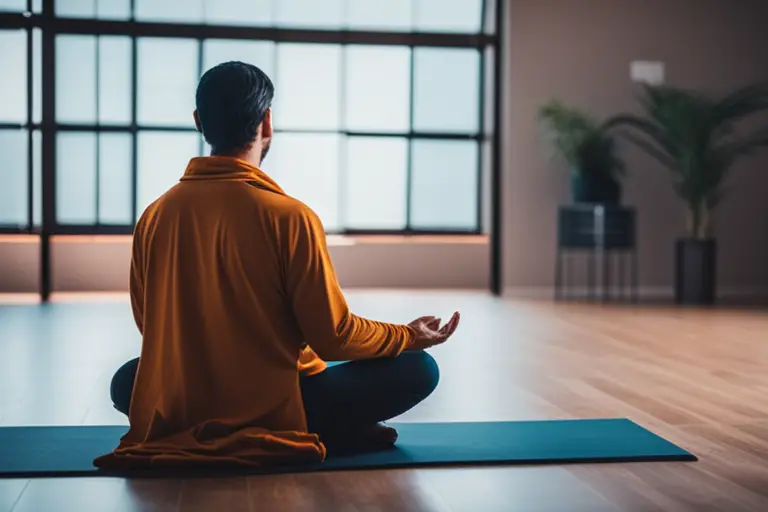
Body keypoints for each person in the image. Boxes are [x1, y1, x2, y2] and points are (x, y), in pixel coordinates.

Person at [94, 61, 461, 471]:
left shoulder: (155, 216)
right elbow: (333, 336)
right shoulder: (290, 216)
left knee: (130, 381)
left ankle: (307, 426)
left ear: (199, 121)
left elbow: (151, 327)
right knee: (418, 368)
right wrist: (407, 335)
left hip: (189, 403)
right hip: (275, 406)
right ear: (266, 122)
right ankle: (323, 430)